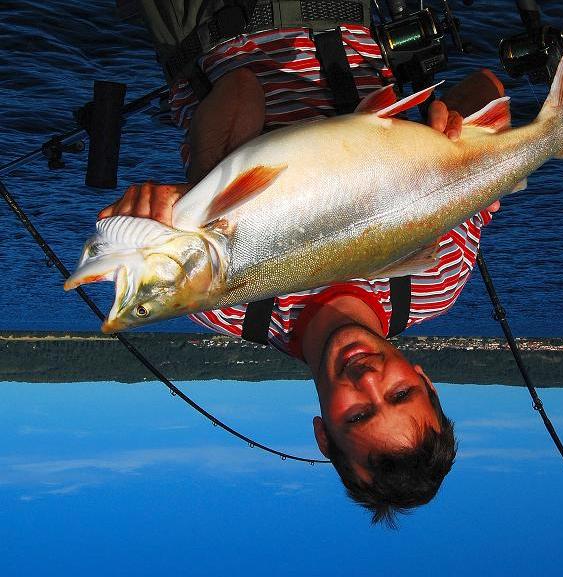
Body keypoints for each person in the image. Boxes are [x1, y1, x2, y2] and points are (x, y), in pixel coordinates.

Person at [107, 0, 504, 526]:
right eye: (400, 394)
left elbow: (240, 87)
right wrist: (464, 131)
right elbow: (486, 86)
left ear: (323, 431)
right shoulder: (437, 277)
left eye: (359, 414)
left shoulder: (223, 303)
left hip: (212, 28)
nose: (368, 380)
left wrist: (201, 200)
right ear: (425, 379)